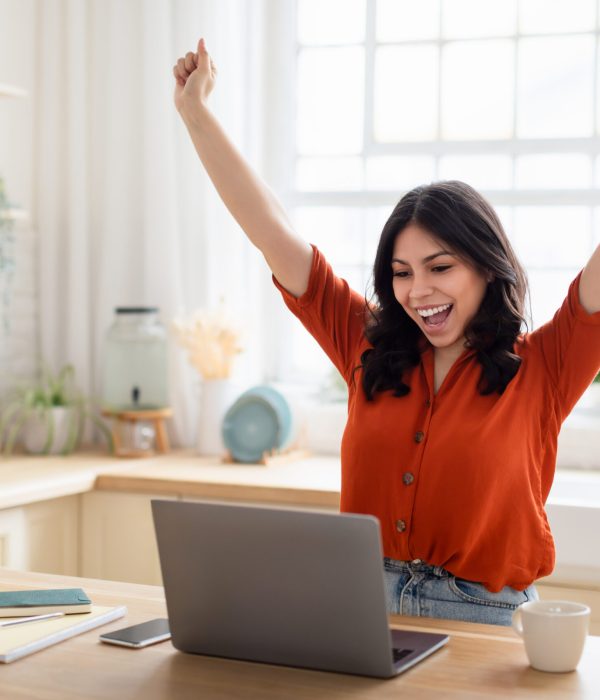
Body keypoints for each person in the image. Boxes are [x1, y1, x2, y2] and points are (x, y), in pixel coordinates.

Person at [173, 38, 600, 626]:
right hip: (358, 606)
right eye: (401, 274)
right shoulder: (365, 343)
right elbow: (268, 228)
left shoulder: (546, 365)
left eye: (440, 267)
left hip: (483, 618)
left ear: (486, 265)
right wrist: (196, 114)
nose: (418, 291)